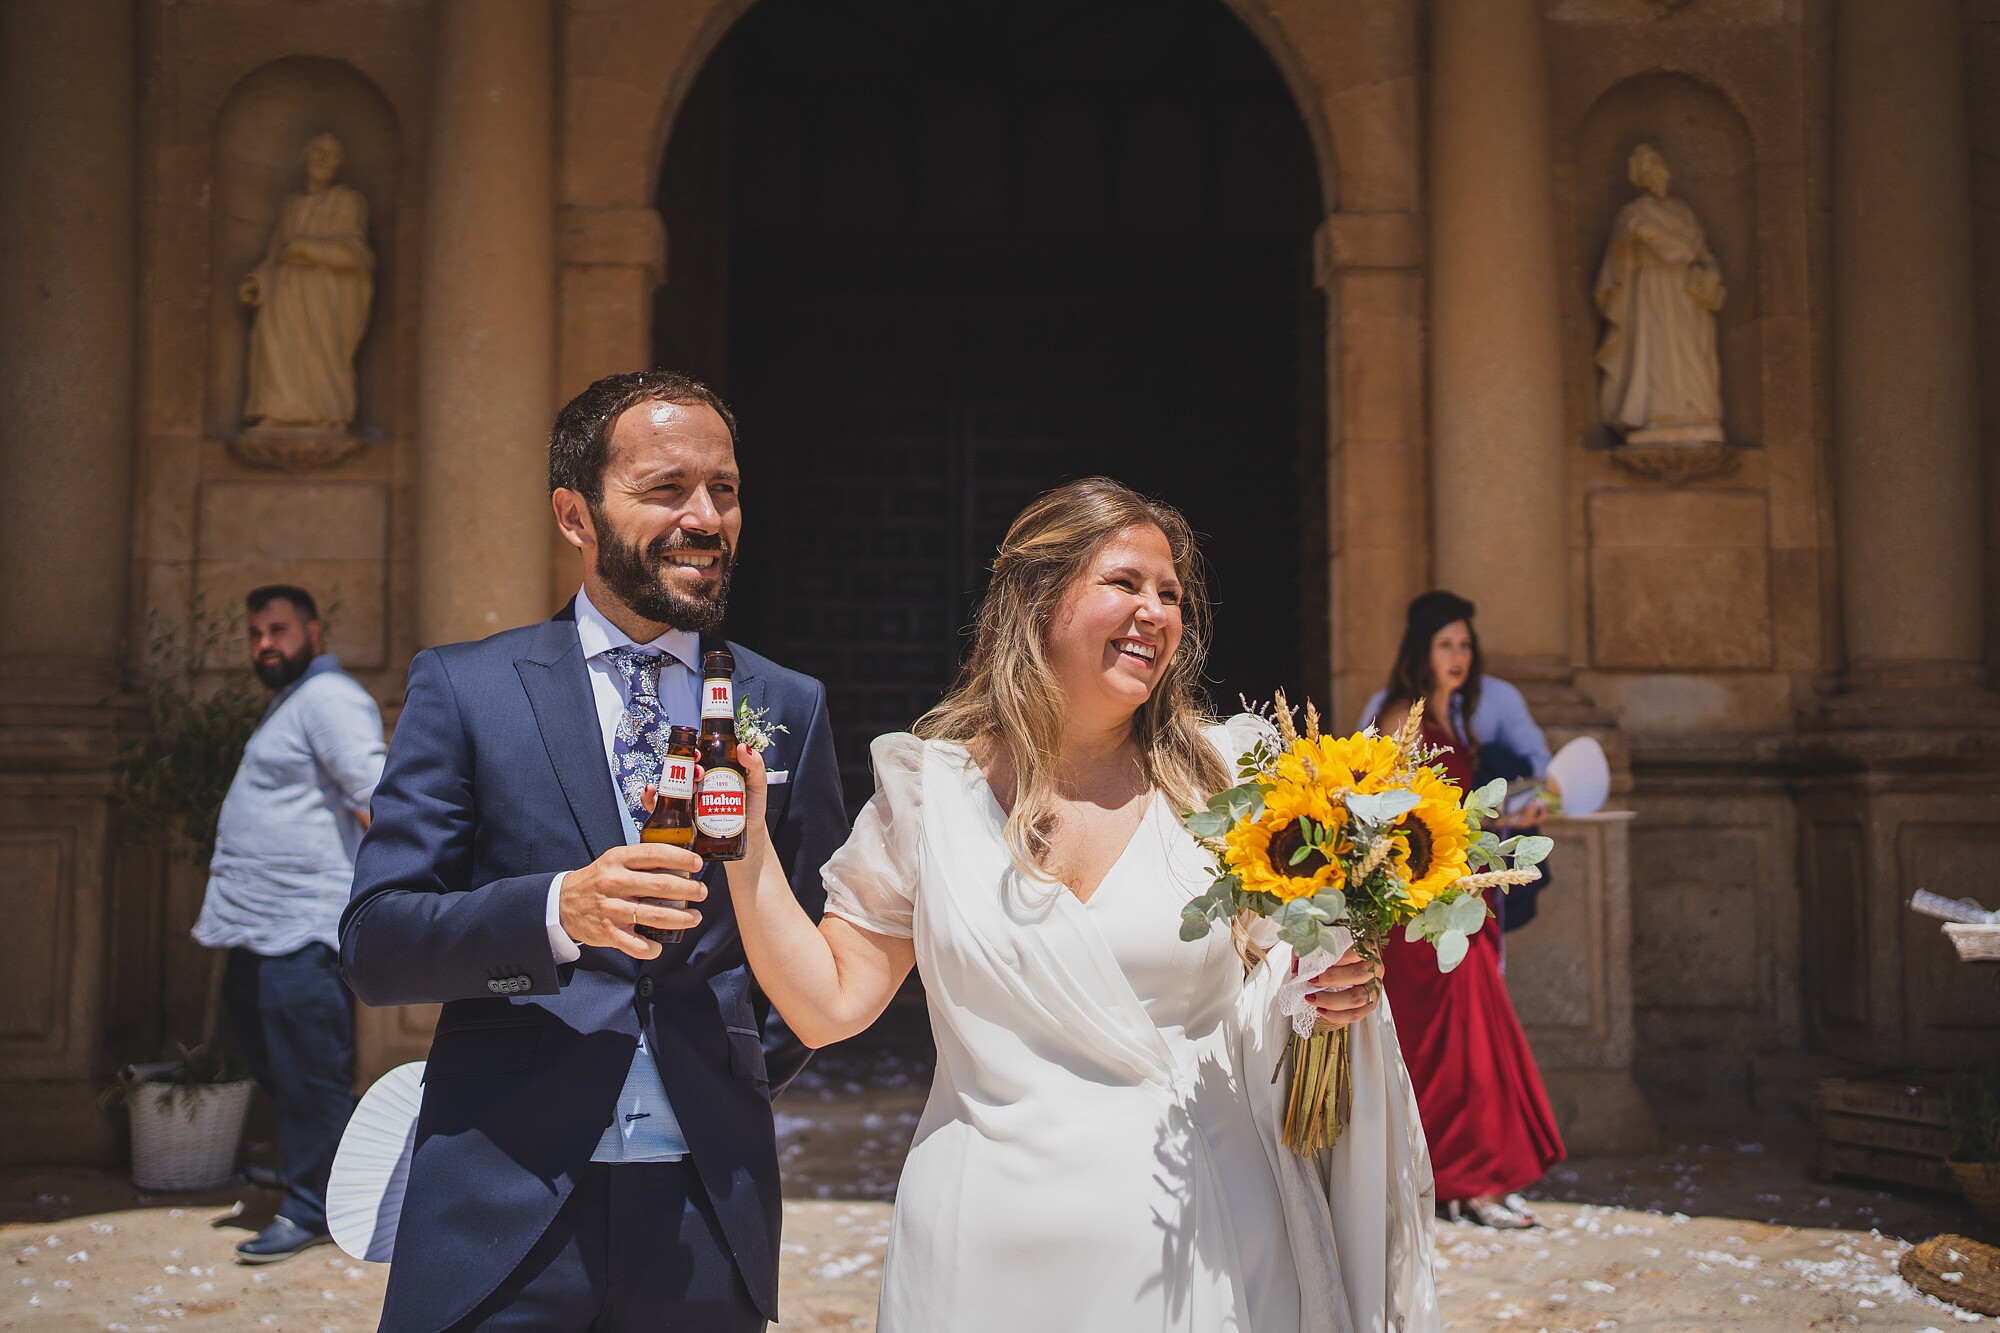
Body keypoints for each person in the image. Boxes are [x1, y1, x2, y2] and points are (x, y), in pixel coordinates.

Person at [689, 477, 1439, 1331]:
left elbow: (1289, 980)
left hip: (1203, 1245)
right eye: (1124, 582)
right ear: (1036, 599)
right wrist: (744, 849)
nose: (1155, 610)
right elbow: (827, 1005)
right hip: (983, 1255)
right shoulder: (929, 791)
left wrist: (1329, 990)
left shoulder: (1233, 787)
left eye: (1171, 594)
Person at [340, 370, 846, 1331]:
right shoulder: (466, 688)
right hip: (500, 1201)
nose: (706, 516)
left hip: (708, 1214)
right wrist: (553, 912)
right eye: (666, 489)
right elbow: (375, 944)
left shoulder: (788, 704)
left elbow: (816, 952)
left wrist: (728, 1066)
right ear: (575, 514)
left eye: (725, 490)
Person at [193, 584, 384, 1262]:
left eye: (277, 629)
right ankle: (324, 1155)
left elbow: (376, 795)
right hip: (262, 925)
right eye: (254, 633)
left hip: (306, 924)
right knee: (263, 1042)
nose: (263, 644)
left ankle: (312, 1207)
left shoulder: (330, 699)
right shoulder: (292, 702)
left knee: (310, 1069)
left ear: (313, 631)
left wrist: (394, 898)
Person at [1363, 590, 1566, 1229]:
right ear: (1421, 650)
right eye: (1446, 643)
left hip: (1460, 899)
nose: (1458, 656)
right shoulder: (1404, 714)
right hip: (1424, 912)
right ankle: (1465, 1183)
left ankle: (1476, 1178)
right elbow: (1386, 811)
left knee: (1478, 1042)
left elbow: (1453, 813)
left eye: (1465, 645)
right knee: (1450, 1049)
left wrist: (1508, 816)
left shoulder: (1460, 724)